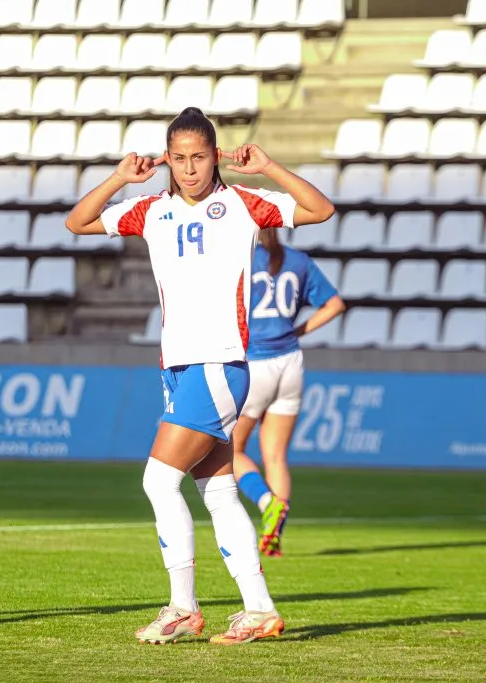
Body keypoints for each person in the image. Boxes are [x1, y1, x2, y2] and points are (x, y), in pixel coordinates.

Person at [66, 107, 335, 645]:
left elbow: (320, 208)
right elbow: (78, 222)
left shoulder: (241, 203)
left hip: (219, 362)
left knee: (158, 480)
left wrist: (269, 167)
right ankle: (258, 609)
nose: (190, 169)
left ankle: (183, 607)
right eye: (180, 158)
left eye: (200, 157)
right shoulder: (150, 209)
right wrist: (120, 177)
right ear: (167, 158)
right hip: (180, 365)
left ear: (217, 156)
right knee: (217, 490)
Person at [233, 228, 345, 557]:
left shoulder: (242, 259)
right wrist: (297, 331)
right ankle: (275, 535)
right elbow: (335, 305)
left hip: (256, 361)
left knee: (230, 449)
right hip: (291, 361)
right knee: (276, 456)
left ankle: (268, 503)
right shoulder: (297, 260)